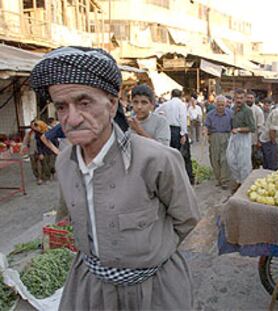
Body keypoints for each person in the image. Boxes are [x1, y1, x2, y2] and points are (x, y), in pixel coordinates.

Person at [30, 46, 200, 310]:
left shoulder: (157, 160)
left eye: (84, 103)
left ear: (111, 104)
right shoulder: (64, 162)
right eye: (61, 107)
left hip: (154, 288)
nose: (72, 119)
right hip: (90, 289)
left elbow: (187, 219)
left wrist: (147, 254)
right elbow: (67, 217)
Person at [156, 89, 194, 184]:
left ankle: (172, 178)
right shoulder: (181, 105)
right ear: (181, 96)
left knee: (170, 154)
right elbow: (183, 119)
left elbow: (155, 113)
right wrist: (183, 134)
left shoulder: (165, 104)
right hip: (177, 130)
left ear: (171, 95)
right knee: (183, 155)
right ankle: (187, 178)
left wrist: (163, 119)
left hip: (167, 129)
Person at [226, 88, 255, 188]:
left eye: (241, 98)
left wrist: (238, 129)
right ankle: (238, 180)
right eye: (237, 98)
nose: (239, 100)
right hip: (233, 137)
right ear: (234, 98)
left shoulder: (248, 111)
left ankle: (244, 184)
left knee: (244, 162)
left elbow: (252, 128)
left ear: (245, 99)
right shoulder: (232, 109)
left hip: (244, 138)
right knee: (231, 160)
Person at [204, 95, 232, 189]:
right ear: (215, 105)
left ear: (225, 105)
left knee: (225, 159)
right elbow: (206, 125)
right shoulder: (210, 114)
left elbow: (234, 125)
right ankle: (218, 178)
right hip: (214, 136)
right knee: (214, 158)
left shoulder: (230, 113)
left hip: (226, 136)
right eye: (219, 105)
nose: (221, 107)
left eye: (222, 105)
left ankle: (224, 180)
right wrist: (205, 132)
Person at [246, 90, 265, 169]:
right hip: (243, 139)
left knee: (254, 160)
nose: (249, 99)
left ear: (254, 99)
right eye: (248, 98)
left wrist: (259, 141)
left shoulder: (258, 111)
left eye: (251, 98)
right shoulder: (240, 109)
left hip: (253, 140)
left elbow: (260, 127)